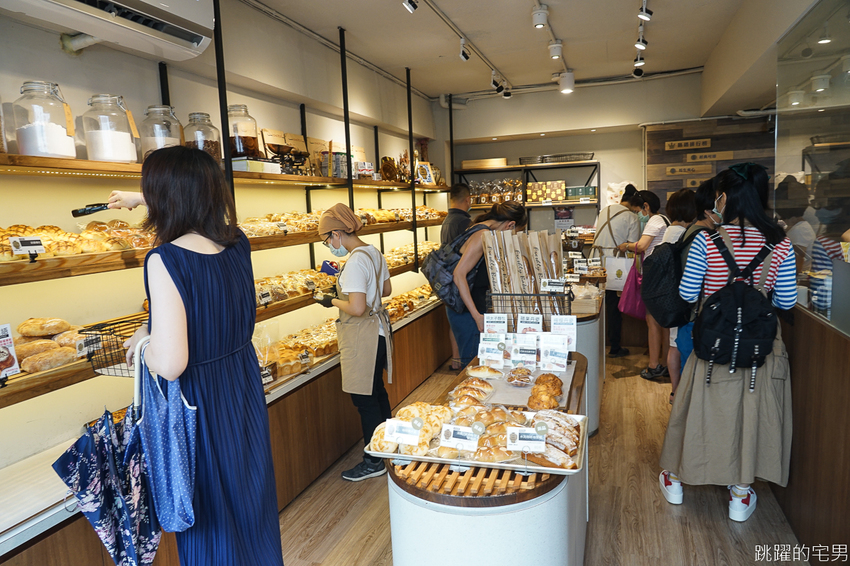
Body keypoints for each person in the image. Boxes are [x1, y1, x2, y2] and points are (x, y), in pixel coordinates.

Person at [112, 147, 285, 565]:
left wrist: (144, 345)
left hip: (199, 404)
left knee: (209, 521)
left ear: (164, 196)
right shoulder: (236, 242)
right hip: (240, 389)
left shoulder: (165, 258)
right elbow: (209, 309)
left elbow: (171, 363)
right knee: (249, 505)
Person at [659, 163, 796, 523]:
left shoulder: (707, 239)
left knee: (698, 410)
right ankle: (739, 493)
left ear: (724, 197)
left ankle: (675, 479)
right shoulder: (781, 243)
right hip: (756, 347)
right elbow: (785, 302)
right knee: (749, 415)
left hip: (713, 343)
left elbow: (688, 294)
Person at [314, 204, 394, 482]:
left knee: (365, 400)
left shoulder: (354, 261)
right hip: (379, 334)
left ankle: (373, 461)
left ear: (337, 233)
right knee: (377, 393)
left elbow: (357, 308)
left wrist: (330, 300)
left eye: (327, 240)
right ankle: (387, 448)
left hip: (363, 336)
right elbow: (386, 290)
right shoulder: (373, 252)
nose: (329, 246)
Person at [448, 202, 528, 365]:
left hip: (472, 308)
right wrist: (476, 316)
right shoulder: (482, 235)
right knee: (472, 364)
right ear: (510, 225)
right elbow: (459, 275)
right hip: (468, 312)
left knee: (479, 363)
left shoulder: (482, 229)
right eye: (516, 232)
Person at [672, 179, 717, 402]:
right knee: (696, 389)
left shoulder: (691, 232)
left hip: (690, 318)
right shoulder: (703, 237)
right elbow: (691, 289)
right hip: (696, 320)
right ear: (710, 210)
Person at [618, 190, 670, 380]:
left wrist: (626, 245)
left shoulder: (655, 220)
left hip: (654, 276)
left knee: (653, 322)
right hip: (663, 278)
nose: (638, 214)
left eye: (637, 210)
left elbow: (642, 246)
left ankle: (654, 365)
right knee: (662, 324)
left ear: (646, 206)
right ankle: (664, 364)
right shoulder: (665, 220)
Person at [590, 184, 640, 357]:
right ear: (634, 204)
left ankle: (595, 343)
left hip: (595, 260)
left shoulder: (605, 210)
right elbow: (634, 245)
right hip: (615, 263)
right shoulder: (631, 217)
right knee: (613, 305)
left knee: (594, 302)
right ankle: (615, 346)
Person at [659, 189, 696, 403]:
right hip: (680, 296)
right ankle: (677, 391)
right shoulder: (682, 232)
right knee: (676, 345)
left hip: (671, 295)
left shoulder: (671, 230)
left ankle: (676, 391)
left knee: (675, 343)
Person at [441, 183, 473, 370]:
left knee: (454, 322)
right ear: (467, 200)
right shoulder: (464, 223)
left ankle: (456, 361)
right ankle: (464, 365)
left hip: (447, 280)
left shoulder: (447, 221)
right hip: (461, 281)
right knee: (465, 326)